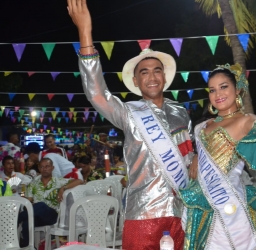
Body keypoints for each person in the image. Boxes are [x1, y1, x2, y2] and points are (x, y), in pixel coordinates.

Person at [67, 1, 194, 249]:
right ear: (135, 81)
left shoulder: (181, 113)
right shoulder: (128, 113)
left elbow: (190, 151)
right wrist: (85, 32)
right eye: (144, 72)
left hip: (181, 211)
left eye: (157, 70)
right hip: (142, 213)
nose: (152, 76)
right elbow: (97, 94)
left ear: (165, 77)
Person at [181, 50, 256, 250]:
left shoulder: (245, 121)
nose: (217, 94)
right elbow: (206, 154)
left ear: (237, 90)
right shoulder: (202, 126)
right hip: (202, 211)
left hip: (231, 213)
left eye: (223, 87)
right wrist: (196, 157)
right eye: (212, 90)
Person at [18, 157, 83, 247]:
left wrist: (63, 188)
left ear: (52, 168)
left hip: (52, 216)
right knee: (26, 223)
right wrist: (22, 199)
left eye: (47, 166)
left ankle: (15, 219)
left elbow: (80, 181)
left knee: (41, 205)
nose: (44, 169)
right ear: (39, 169)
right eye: (42, 167)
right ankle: (29, 247)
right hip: (36, 215)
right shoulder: (33, 184)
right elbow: (28, 201)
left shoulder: (59, 181)